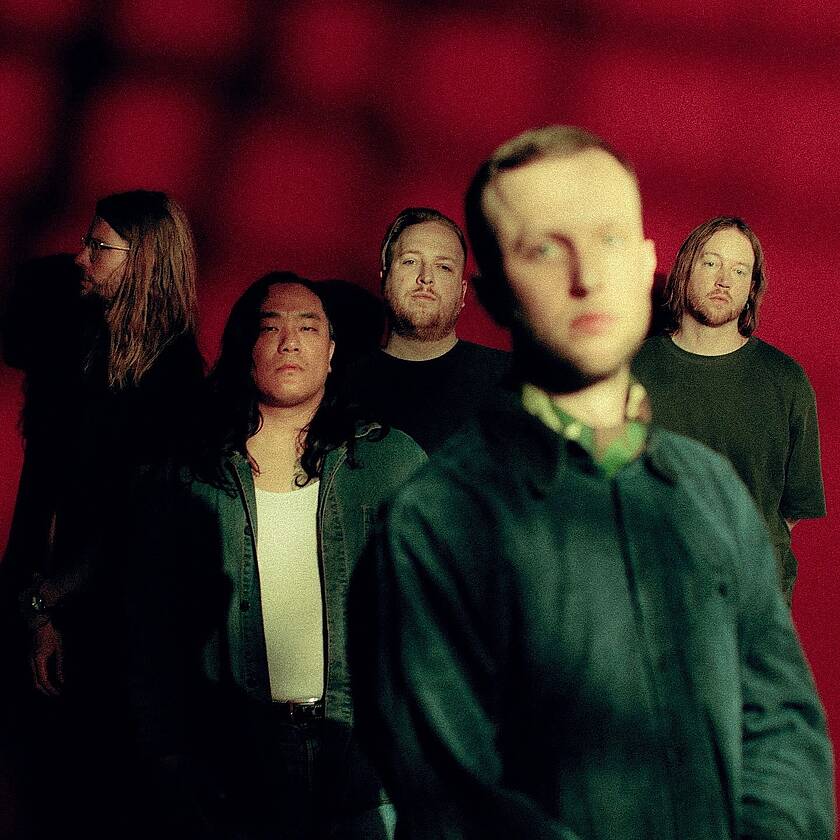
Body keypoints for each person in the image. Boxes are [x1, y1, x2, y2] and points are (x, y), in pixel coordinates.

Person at [349, 127, 834, 840]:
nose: (586, 276)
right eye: (544, 249)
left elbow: (783, 728)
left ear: (645, 261)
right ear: (493, 292)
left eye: (608, 237)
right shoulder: (433, 525)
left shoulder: (711, 491)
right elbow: (456, 801)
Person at [124, 273, 425, 839]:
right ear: (245, 348)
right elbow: (149, 624)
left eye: (308, 328)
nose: (290, 342)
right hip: (232, 765)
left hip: (364, 763)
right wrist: (165, 752)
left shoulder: (391, 463)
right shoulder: (189, 475)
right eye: (271, 328)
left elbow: (440, 615)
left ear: (331, 352)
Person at [7, 191, 204, 839]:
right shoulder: (81, 349)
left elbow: (133, 521)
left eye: (98, 246)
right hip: (49, 602)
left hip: (106, 627)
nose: (80, 256)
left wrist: (48, 603)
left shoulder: (172, 380)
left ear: (142, 260)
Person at [632, 216, 825, 604]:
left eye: (739, 270)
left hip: (751, 606)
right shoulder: (633, 369)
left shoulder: (785, 380)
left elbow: (789, 510)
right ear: (686, 268)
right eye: (711, 263)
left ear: (751, 287)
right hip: (655, 598)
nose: (724, 280)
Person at [345, 207, 509, 452]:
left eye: (444, 267)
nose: (425, 278)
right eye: (410, 261)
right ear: (384, 278)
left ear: (462, 292)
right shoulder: (336, 385)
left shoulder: (511, 382)